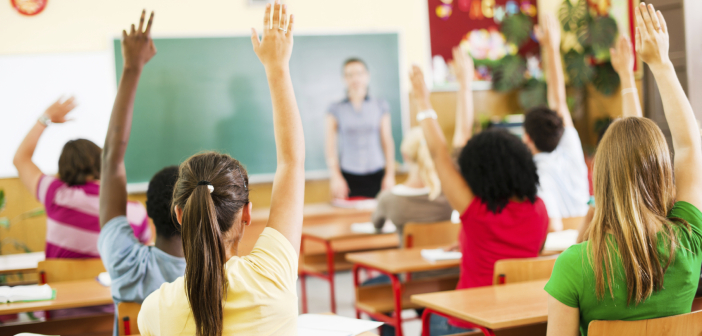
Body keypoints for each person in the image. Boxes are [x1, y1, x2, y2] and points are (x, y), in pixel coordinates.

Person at [137, 2, 305, 335]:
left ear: (180, 214)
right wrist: (277, 67)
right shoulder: (271, 275)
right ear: (246, 213)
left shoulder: (155, 310)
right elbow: (292, 162)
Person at [545, 4, 702, 336]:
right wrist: (660, 64)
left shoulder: (574, 265)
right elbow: (689, 146)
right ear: (662, 174)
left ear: (601, 180)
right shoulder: (688, 243)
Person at [411, 46, 549, 336]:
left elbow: (439, 154)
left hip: (471, 325)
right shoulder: (539, 210)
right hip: (520, 323)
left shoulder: (476, 211)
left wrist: (423, 101)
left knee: (430, 315)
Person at [97, 19, 187, 330]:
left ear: (146, 212)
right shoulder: (214, 275)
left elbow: (111, 160)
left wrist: (132, 68)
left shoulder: (126, 263)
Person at [13, 98, 150, 259]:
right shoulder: (134, 211)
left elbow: (20, 159)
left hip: (60, 284)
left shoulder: (55, 194)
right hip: (110, 284)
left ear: (63, 168)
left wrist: (45, 118)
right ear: (102, 164)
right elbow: (144, 258)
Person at [576, 32, 643, 244]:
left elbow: (574, 252)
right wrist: (626, 76)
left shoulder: (597, 213)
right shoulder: (656, 210)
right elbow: (636, 140)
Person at [529, 16, 590, 231]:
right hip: (588, 236)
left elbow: (552, 228)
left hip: (561, 249)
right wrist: (552, 49)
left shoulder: (534, 173)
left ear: (527, 139)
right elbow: (559, 101)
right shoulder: (570, 151)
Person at [326, 57, 396, 200]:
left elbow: (387, 141)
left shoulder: (380, 105)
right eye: (349, 75)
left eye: (359, 73)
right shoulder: (335, 108)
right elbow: (329, 145)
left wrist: (390, 175)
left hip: (377, 172)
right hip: (348, 174)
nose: (355, 78)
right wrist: (335, 176)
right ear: (343, 79)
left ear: (367, 76)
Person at [371, 127, 452, 241]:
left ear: (405, 155)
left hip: (406, 258)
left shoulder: (388, 199)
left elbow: (377, 224)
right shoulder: (449, 195)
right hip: (445, 257)